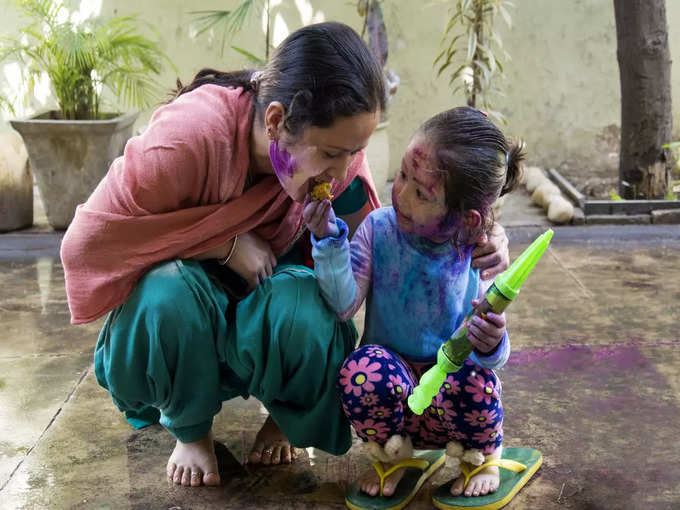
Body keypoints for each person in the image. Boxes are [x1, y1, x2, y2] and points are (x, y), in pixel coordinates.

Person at [60, 22, 511, 489]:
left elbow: (385, 246)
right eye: (333, 154)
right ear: (275, 122)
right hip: (183, 326)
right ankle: (190, 428)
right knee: (166, 292)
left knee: (309, 302)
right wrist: (224, 243)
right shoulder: (186, 140)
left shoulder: (340, 160)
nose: (340, 173)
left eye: (354, 153)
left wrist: (477, 236)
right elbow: (87, 245)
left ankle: (285, 416)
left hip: (260, 320)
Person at [303, 106, 523, 502]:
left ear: (469, 220)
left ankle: (482, 458)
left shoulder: (479, 251)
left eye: (422, 193)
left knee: (475, 381)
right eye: (403, 174)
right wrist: (328, 240)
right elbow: (343, 305)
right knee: (360, 371)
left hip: (450, 400)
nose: (401, 194)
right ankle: (396, 458)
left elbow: (491, 357)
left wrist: (492, 343)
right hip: (395, 401)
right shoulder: (379, 229)